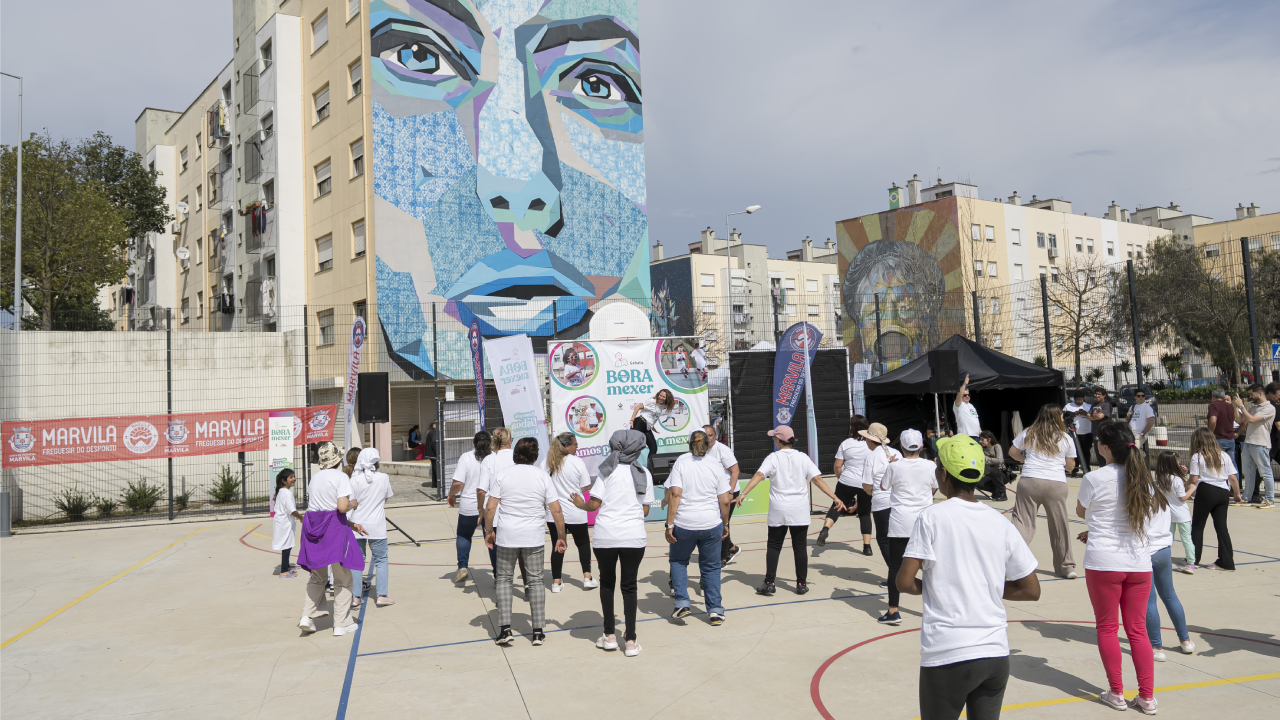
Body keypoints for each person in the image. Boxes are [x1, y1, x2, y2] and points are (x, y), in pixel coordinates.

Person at [897, 434, 1041, 720]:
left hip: (948, 652)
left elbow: (903, 582)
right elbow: (1031, 590)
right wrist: (984, 585)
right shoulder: (999, 522)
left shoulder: (932, 517)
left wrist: (936, 586)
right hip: (994, 653)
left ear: (943, 473)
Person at [1075, 422, 1167, 714]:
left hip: (1103, 562)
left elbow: (1082, 512)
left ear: (1103, 448)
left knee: (1106, 627)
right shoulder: (1143, 477)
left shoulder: (1094, 477)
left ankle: (1116, 692)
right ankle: (1147, 697)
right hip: (1139, 562)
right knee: (1137, 630)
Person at [571, 429, 654, 656]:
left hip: (606, 536)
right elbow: (645, 509)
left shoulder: (607, 471)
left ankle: (609, 636)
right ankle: (631, 640)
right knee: (629, 586)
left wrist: (580, 504)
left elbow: (594, 505)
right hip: (633, 536)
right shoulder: (643, 472)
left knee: (607, 583)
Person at [738, 425, 845, 596]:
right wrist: (835, 497)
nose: (774, 440)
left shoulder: (773, 457)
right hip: (799, 509)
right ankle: (801, 584)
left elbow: (759, 475)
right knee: (800, 547)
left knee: (774, 546)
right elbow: (817, 479)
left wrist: (743, 493)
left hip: (779, 509)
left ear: (779, 441)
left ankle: (770, 582)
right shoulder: (802, 458)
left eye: (774, 438)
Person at [484, 437, 567, 646]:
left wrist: (488, 530)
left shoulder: (503, 475)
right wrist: (561, 536)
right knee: (536, 581)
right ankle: (538, 631)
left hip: (507, 536)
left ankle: (505, 629)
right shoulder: (542, 476)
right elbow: (556, 509)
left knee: (504, 579)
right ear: (535, 455)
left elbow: (490, 508)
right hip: (533, 536)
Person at [296, 442, 366, 636]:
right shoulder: (341, 476)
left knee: (318, 576)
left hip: (313, 527)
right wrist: (353, 503)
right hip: (334, 530)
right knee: (343, 578)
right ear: (338, 458)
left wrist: (351, 524)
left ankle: (306, 616)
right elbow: (341, 508)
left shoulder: (315, 478)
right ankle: (341, 623)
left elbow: (322, 508)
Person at [665, 429, 733, 624]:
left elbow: (675, 494)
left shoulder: (681, 462)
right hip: (711, 523)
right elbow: (725, 500)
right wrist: (725, 523)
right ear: (708, 443)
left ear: (690, 444)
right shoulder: (715, 465)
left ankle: (682, 604)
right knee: (711, 568)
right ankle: (715, 611)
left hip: (685, 523)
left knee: (678, 562)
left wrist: (670, 524)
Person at [1009, 405, 1079, 580]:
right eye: (1062, 415)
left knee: (1023, 523)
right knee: (1059, 525)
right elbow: (1070, 467)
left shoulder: (1029, 432)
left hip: (1030, 480)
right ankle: (1067, 567)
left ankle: (1010, 563)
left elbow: (1012, 452)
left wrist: (1026, 459)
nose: (1063, 418)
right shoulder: (1066, 438)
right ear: (1057, 417)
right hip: (1055, 483)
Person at [877, 429, 939, 626]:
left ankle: (893, 611)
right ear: (921, 446)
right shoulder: (931, 466)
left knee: (896, 565)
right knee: (933, 567)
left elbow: (883, 487)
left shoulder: (894, 467)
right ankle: (938, 610)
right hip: (925, 520)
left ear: (901, 447)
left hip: (901, 521)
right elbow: (935, 487)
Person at [1147, 452, 1195, 661]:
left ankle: (1157, 648)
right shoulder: (1162, 493)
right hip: (1164, 549)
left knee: (1150, 602)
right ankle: (1185, 641)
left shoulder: (1154, 489)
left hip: (1145, 552)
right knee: (1170, 595)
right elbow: (1183, 495)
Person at [542, 432, 596, 592]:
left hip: (554, 513)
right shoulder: (577, 462)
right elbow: (586, 486)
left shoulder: (546, 463)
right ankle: (587, 577)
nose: (577, 448)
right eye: (575, 445)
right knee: (583, 543)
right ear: (567, 446)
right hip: (575, 510)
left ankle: (556, 582)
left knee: (557, 545)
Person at [477, 428, 529, 588]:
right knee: (522, 551)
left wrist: (481, 510)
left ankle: (499, 579)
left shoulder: (489, 460)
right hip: (520, 510)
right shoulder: (518, 457)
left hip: (496, 513)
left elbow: (481, 490)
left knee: (496, 548)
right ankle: (527, 584)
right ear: (510, 440)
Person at [1188, 426, 1243, 570]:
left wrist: (1183, 484)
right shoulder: (1223, 455)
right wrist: (1237, 494)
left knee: (1198, 526)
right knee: (1221, 527)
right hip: (1223, 492)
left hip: (1206, 490)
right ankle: (1226, 561)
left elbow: (1194, 479)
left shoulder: (1198, 456)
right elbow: (1233, 478)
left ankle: (1193, 559)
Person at [818, 416, 873, 554]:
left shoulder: (846, 443)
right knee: (865, 514)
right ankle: (867, 547)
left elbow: (837, 466)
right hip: (865, 482)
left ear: (852, 427)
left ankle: (826, 529)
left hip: (847, 480)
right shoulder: (871, 443)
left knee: (836, 506)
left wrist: (841, 478)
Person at [691, 424, 743, 565]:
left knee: (722, 523)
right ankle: (731, 547)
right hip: (715, 492)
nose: (709, 438)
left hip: (727, 491)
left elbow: (735, 470)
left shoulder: (722, 451)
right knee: (718, 522)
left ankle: (724, 556)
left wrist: (731, 492)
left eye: (711, 435)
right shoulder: (701, 449)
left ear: (716, 436)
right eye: (706, 435)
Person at [350, 447, 395, 607]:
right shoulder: (383, 477)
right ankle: (382, 595)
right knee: (381, 559)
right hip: (377, 526)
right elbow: (386, 498)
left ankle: (355, 597)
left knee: (357, 560)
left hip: (357, 525)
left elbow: (352, 502)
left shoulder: (354, 479)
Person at [447, 430, 491, 585]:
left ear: (474, 442)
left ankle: (462, 567)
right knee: (492, 538)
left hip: (469, 505)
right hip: (490, 506)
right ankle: (499, 573)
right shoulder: (494, 458)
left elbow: (458, 483)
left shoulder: (466, 457)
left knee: (464, 535)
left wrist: (451, 495)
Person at [860, 422, 903, 566]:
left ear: (870, 440)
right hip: (899, 501)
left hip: (882, 503)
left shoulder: (871, 457)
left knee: (884, 539)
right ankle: (902, 572)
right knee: (899, 538)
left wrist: (874, 492)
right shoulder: (897, 453)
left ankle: (895, 574)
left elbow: (866, 485)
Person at [1233, 384, 1276, 507]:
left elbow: (1251, 419)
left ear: (1260, 394)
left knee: (1265, 472)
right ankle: (1246, 497)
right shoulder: (1253, 408)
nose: (1250, 396)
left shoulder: (1269, 408)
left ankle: (1269, 500)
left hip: (1260, 444)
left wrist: (1242, 406)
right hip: (1248, 443)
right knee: (1248, 472)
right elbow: (1240, 420)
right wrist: (1236, 407)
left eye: (1252, 394)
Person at [630, 389, 677, 461]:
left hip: (647, 427)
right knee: (632, 447)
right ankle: (624, 466)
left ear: (667, 398)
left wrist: (653, 427)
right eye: (660, 395)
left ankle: (650, 469)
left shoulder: (663, 406)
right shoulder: (652, 401)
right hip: (640, 423)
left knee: (653, 448)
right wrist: (632, 420)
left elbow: (653, 417)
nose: (661, 398)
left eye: (663, 397)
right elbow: (638, 407)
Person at [273, 469, 304, 578]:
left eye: (293, 476)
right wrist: (301, 517)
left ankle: (286, 565)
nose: (294, 479)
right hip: (284, 523)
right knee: (287, 545)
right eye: (291, 477)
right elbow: (291, 510)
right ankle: (284, 571)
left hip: (283, 523)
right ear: (284, 480)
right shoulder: (286, 493)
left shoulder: (282, 491)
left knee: (287, 544)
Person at [1064, 390, 1093, 475]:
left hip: (1087, 432)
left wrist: (1085, 413)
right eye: (1077, 400)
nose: (1079, 401)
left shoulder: (1088, 406)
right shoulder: (1068, 406)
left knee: (1086, 452)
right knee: (1074, 451)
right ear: (1074, 399)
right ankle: (1074, 469)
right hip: (1074, 433)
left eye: (1081, 399)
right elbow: (1064, 417)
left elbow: (1092, 416)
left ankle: (1086, 468)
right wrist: (1073, 414)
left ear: (1084, 399)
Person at [1126, 388, 1156, 458]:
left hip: (1139, 434)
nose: (1141, 397)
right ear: (1135, 397)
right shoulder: (1132, 407)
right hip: (1130, 433)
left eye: (1143, 396)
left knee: (1133, 452)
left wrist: (1142, 434)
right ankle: (1142, 458)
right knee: (1130, 452)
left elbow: (1151, 422)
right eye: (1139, 396)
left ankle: (1142, 459)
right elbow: (1127, 419)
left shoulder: (1147, 408)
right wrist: (1128, 415)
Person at [1088, 389, 1114, 467]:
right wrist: (1094, 417)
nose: (1097, 396)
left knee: (1105, 453)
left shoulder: (1107, 405)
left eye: (1099, 394)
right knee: (1098, 453)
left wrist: (1092, 416)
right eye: (1096, 394)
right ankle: (1102, 469)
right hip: (1095, 432)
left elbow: (1100, 416)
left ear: (1104, 395)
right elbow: (1087, 416)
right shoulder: (1094, 404)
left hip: (1104, 433)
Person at [953, 373, 981, 439]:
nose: (967, 396)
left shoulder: (971, 406)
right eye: (965, 395)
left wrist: (980, 431)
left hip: (976, 436)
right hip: (966, 436)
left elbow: (975, 418)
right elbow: (959, 396)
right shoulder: (959, 405)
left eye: (968, 395)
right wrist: (964, 384)